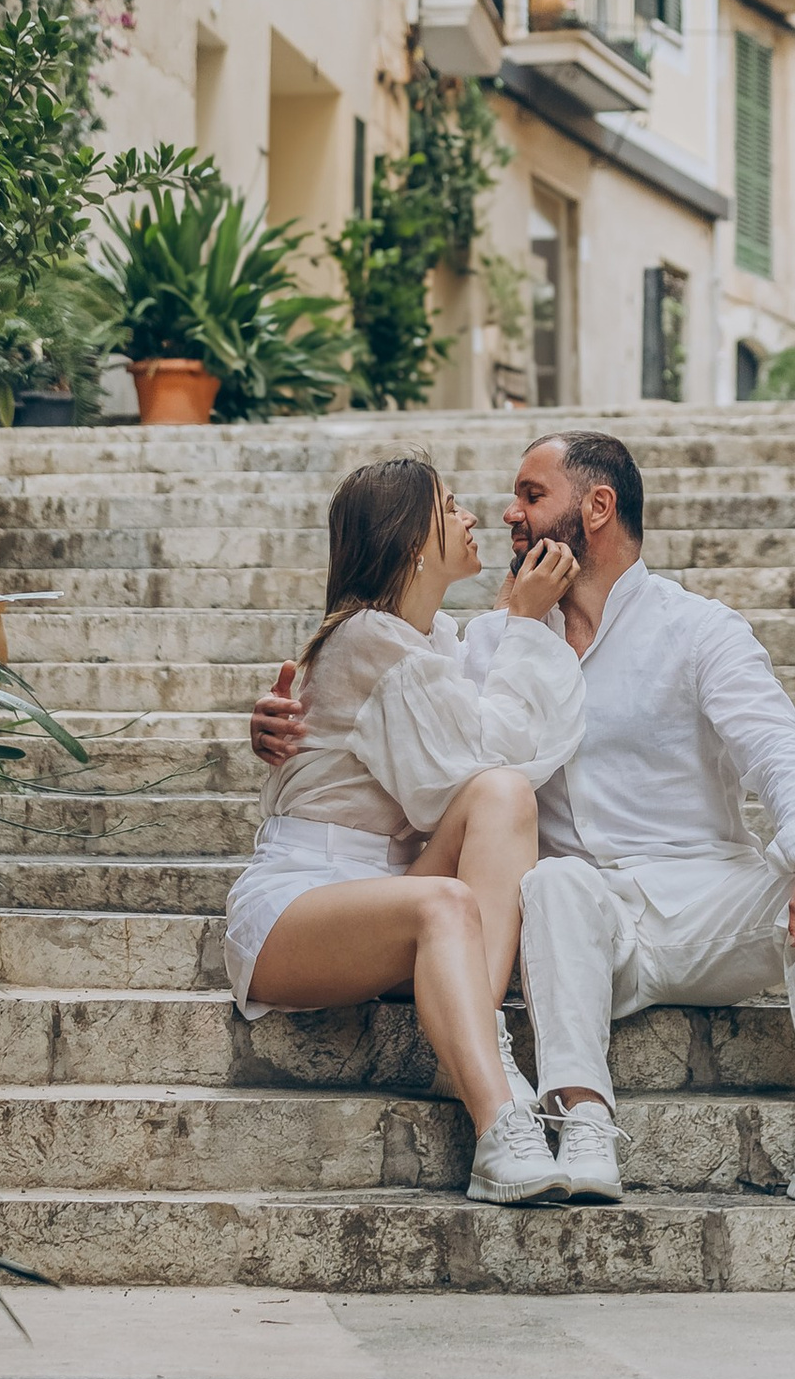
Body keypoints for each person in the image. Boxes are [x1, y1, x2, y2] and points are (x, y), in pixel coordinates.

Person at [252, 428, 795, 1207]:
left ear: (597, 506)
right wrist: (290, 719)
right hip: (585, 921)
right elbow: (407, 719)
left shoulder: (699, 627)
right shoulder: (487, 636)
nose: (508, 514)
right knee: (553, 880)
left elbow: (776, 748)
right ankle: (581, 1119)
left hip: (707, 900)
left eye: (531, 496)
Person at [226, 453, 583, 1207]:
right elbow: (462, 764)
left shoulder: (431, 637)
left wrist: (515, 622)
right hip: (298, 903)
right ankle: (499, 1124)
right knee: (447, 897)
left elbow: (492, 766)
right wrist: (523, 625)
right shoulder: (368, 636)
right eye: (450, 506)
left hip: (382, 894)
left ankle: (477, 1040)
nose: (472, 516)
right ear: (411, 538)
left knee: (504, 796)